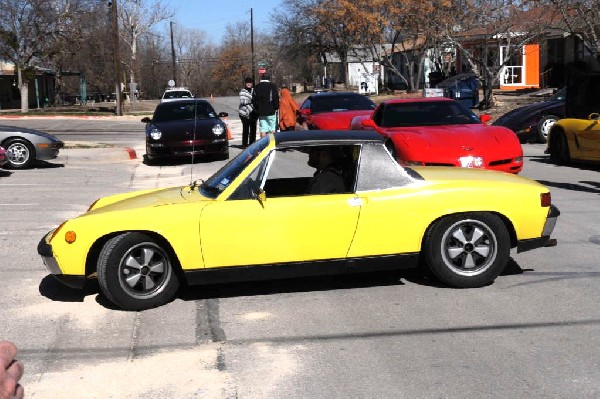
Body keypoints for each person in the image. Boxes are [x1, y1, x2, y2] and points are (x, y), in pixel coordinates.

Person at [252, 73, 279, 137]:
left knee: (263, 128)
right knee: (272, 128)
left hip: (260, 111)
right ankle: (272, 144)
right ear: (268, 79)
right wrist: (276, 107)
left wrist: (256, 108)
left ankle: (263, 143)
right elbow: (275, 98)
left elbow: (253, 99)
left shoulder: (256, 87)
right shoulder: (272, 86)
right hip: (271, 110)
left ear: (261, 78)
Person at [238, 77, 258, 147]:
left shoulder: (254, 90)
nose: (249, 84)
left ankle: (252, 144)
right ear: (245, 83)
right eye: (247, 83)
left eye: (250, 83)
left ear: (252, 83)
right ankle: (244, 144)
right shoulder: (243, 91)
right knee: (246, 129)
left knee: (253, 128)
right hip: (244, 113)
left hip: (253, 112)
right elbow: (243, 101)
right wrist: (253, 101)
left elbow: (257, 100)